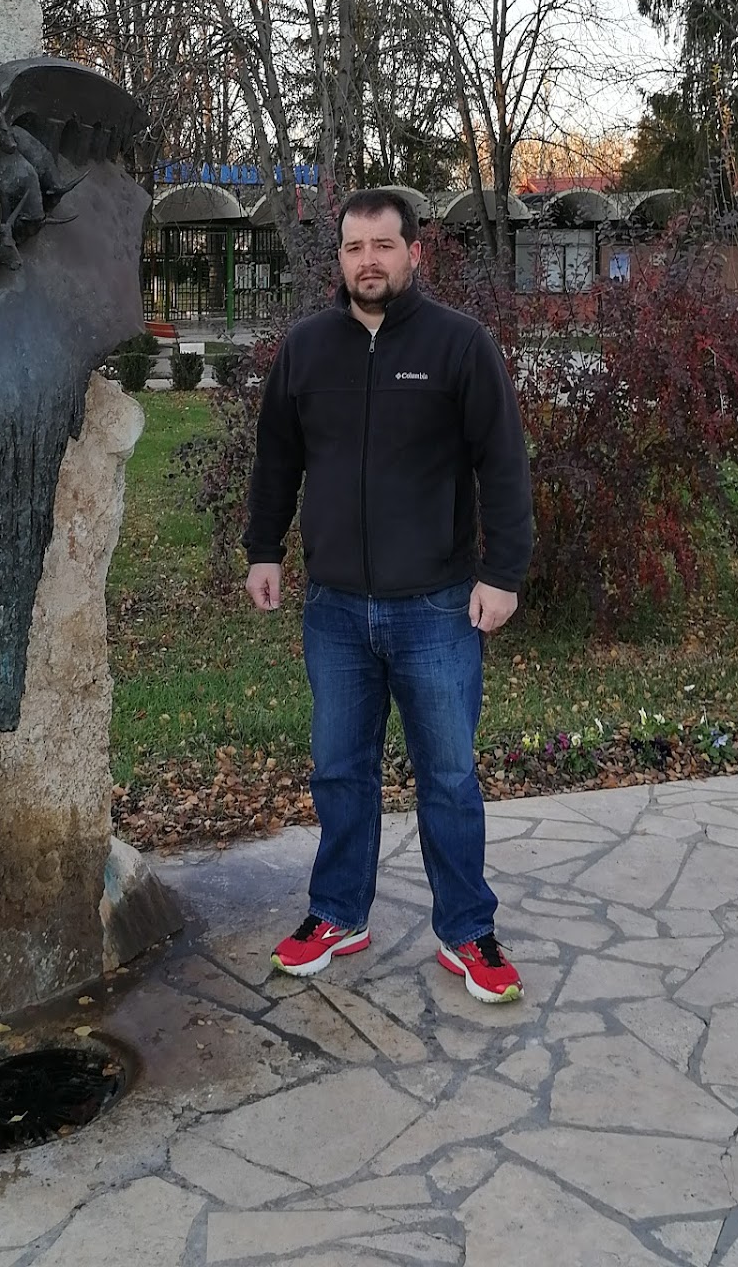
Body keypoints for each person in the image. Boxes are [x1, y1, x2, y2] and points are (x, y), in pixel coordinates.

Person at [244, 188, 533, 1002]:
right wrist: (264, 549)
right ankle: (338, 912)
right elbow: (277, 459)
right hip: (334, 609)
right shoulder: (307, 350)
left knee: (449, 777)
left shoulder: (459, 345)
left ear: (414, 253)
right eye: (353, 247)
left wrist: (503, 573)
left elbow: (503, 463)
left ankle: (467, 929)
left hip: (436, 606)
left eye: (382, 245)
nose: (367, 261)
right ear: (338, 258)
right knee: (340, 770)